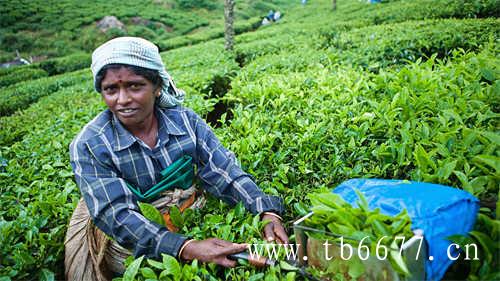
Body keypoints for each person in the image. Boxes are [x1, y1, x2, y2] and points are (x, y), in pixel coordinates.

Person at [65, 37, 288, 280]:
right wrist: (184, 247)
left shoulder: (184, 121)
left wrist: (265, 210)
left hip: (192, 218)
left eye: (135, 86)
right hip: (136, 248)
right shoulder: (90, 144)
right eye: (111, 89)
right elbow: (118, 215)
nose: (123, 99)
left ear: (157, 86)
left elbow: (222, 169)